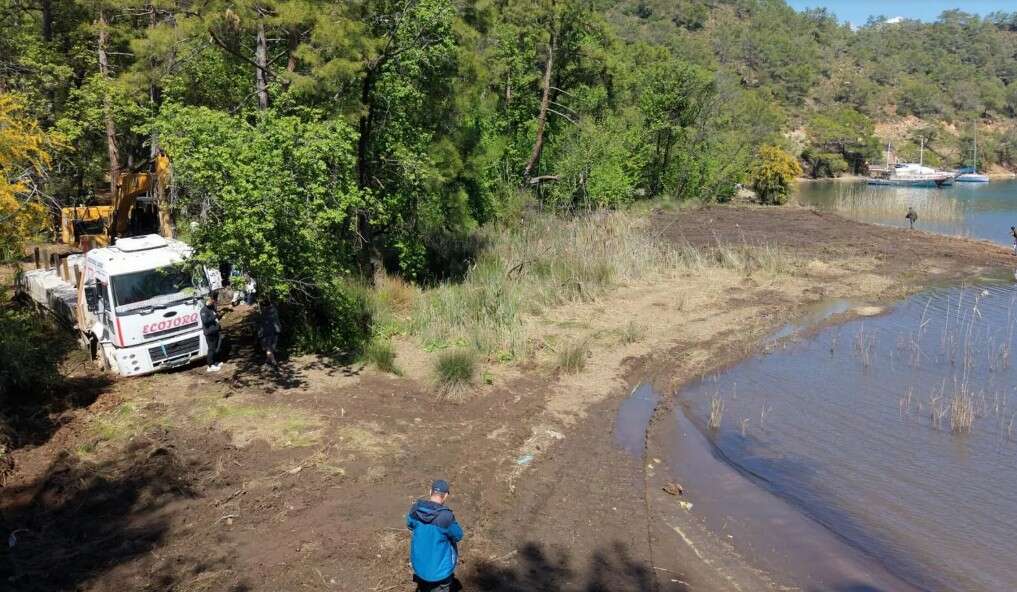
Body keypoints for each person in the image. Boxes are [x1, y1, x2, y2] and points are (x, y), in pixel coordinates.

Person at [407, 480, 463, 592]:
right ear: (446, 495)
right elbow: (458, 535)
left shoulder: (416, 509)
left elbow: (410, 524)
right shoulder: (446, 517)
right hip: (439, 572)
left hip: (419, 566)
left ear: (430, 492)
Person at [200, 294, 224, 372]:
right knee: (211, 349)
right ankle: (210, 365)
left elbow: (216, 317)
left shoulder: (212, 308)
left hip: (215, 331)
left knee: (217, 347)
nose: (211, 301)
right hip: (209, 332)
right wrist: (214, 316)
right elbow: (205, 321)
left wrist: (220, 314)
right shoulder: (203, 310)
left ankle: (215, 362)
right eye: (209, 300)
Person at [258, 298, 281, 366]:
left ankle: (273, 362)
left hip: (267, 332)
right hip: (276, 331)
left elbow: (262, 324)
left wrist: (259, 333)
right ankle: (268, 360)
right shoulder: (274, 310)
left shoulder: (265, 313)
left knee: (268, 347)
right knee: (271, 347)